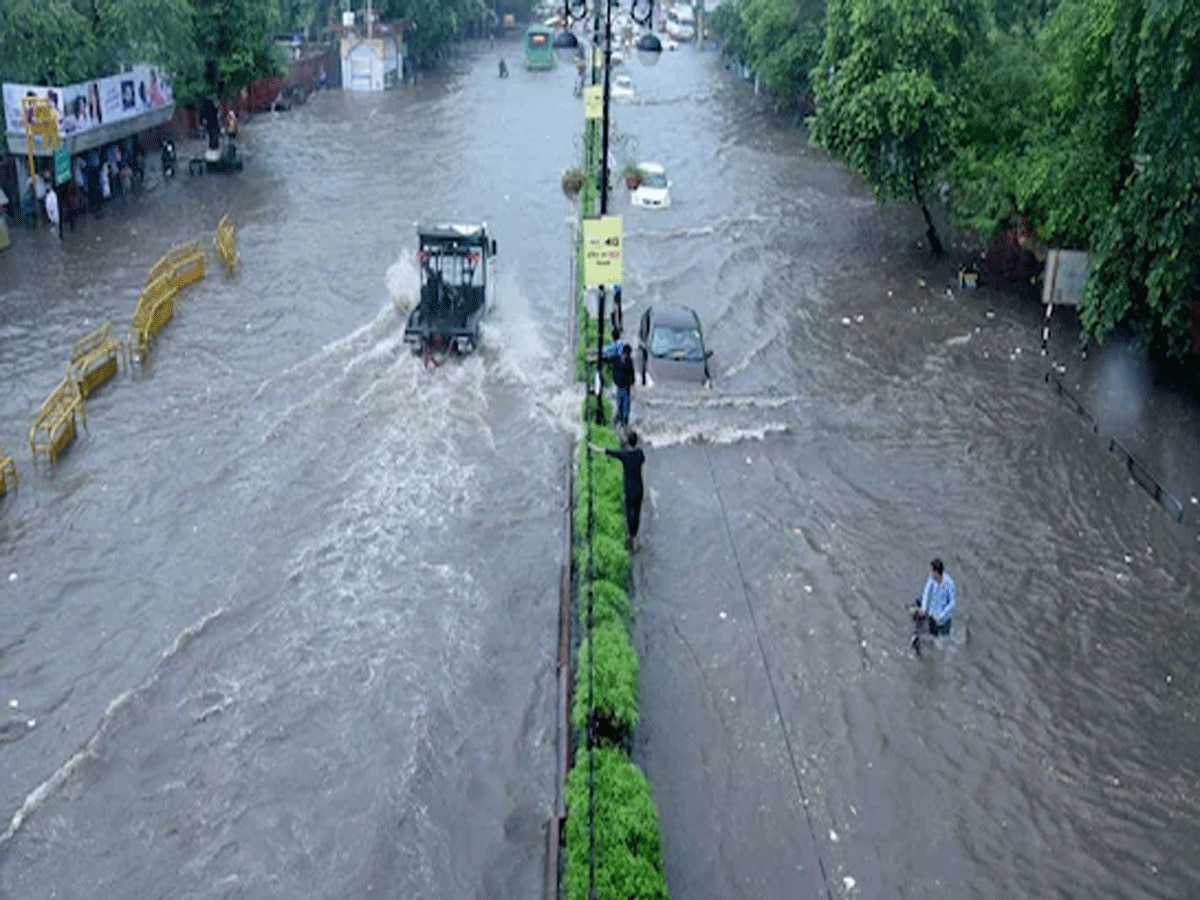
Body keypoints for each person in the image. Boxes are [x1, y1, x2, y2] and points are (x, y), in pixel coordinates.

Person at [589, 431, 646, 552]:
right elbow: (642, 461)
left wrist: (593, 447)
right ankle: (635, 535)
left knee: (629, 512)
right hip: (639, 488)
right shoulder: (640, 453)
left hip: (630, 489)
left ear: (627, 441)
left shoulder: (625, 454)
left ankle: (632, 538)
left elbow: (608, 452)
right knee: (637, 512)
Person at [914, 558, 956, 637]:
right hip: (932, 615)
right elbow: (926, 591)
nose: (931, 573)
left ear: (937, 572)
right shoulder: (932, 578)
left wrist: (941, 616)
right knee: (931, 636)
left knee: (943, 641)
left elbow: (952, 603)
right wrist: (923, 608)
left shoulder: (949, 584)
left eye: (932, 571)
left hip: (943, 620)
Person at [602, 341, 635, 428]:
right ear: (622, 353)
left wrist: (632, 384)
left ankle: (624, 423)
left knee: (626, 407)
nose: (625, 357)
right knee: (619, 405)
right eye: (625, 355)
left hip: (626, 388)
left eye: (627, 355)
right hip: (619, 386)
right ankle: (619, 421)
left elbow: (632, 373)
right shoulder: (616, 359)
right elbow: (606, 359)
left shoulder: (629, 362)